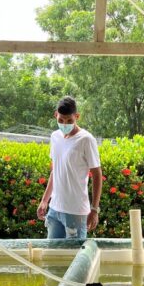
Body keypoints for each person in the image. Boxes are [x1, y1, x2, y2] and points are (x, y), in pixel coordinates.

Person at [36, 96, 102, 239]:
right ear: (55, 115)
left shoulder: (86, 139)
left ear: (77, 116)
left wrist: (94, 209)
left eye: (69, 121)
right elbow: (56, 170)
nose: (65, 124)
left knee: (74, 257)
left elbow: (97, 174)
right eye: (61, 120)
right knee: (52, 257)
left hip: (76, 212)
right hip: (54, 210)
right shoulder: (55, 137)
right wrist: (44, 200)